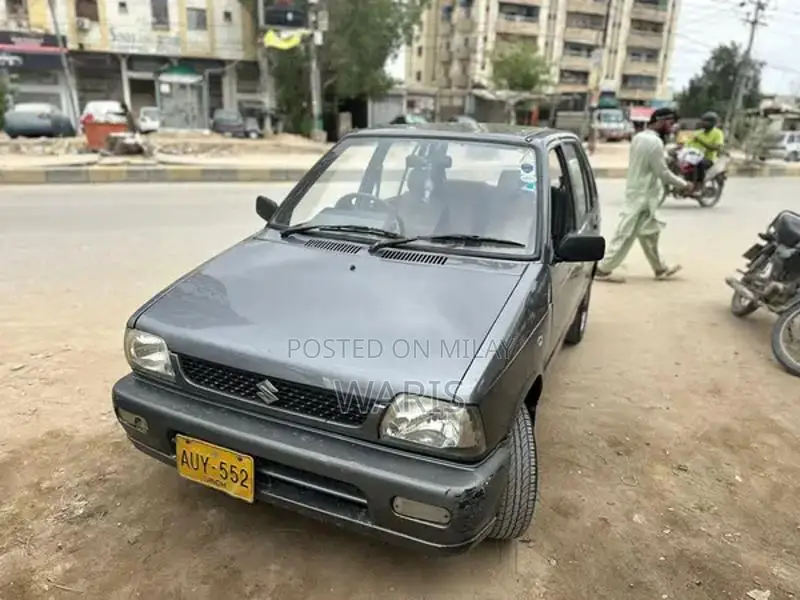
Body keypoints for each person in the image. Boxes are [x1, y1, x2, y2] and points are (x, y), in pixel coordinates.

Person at [595, 107, 693, 283]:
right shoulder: (654, 143)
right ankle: (603, 269)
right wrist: (684, 184)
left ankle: (660, 268)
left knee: (649, 233)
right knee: (625, 232)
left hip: (638, 190)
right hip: (643, 195)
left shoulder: (640, 137)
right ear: (661, 121)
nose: (671, 129)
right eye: (670, 124)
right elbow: (662, 172)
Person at [685, 111, 724, 186]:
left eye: (706, 121)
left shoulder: (718, 133)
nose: (703, 123)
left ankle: (700, 183)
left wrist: (700, 141)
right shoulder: (699, 132)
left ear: (713, 123)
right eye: (703, 120)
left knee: (699, 163)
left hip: (709, 158)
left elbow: (715, 148)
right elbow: (687, 143)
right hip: (694, 156)